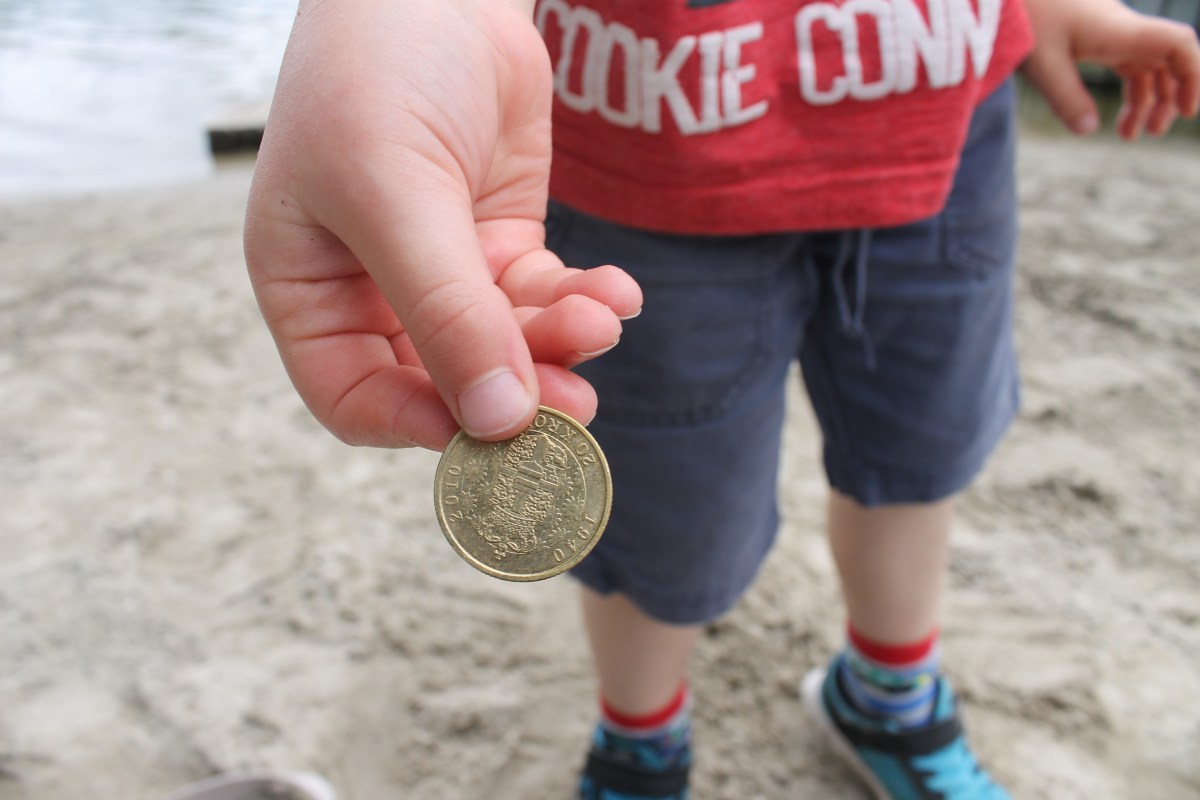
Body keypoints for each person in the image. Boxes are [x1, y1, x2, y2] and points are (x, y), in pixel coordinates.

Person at [243, 1, 1200, 798]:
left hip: (942, 105)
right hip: (648, 146)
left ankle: (890, 699)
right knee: (666, 512)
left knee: (921, 449)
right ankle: (641, 741)